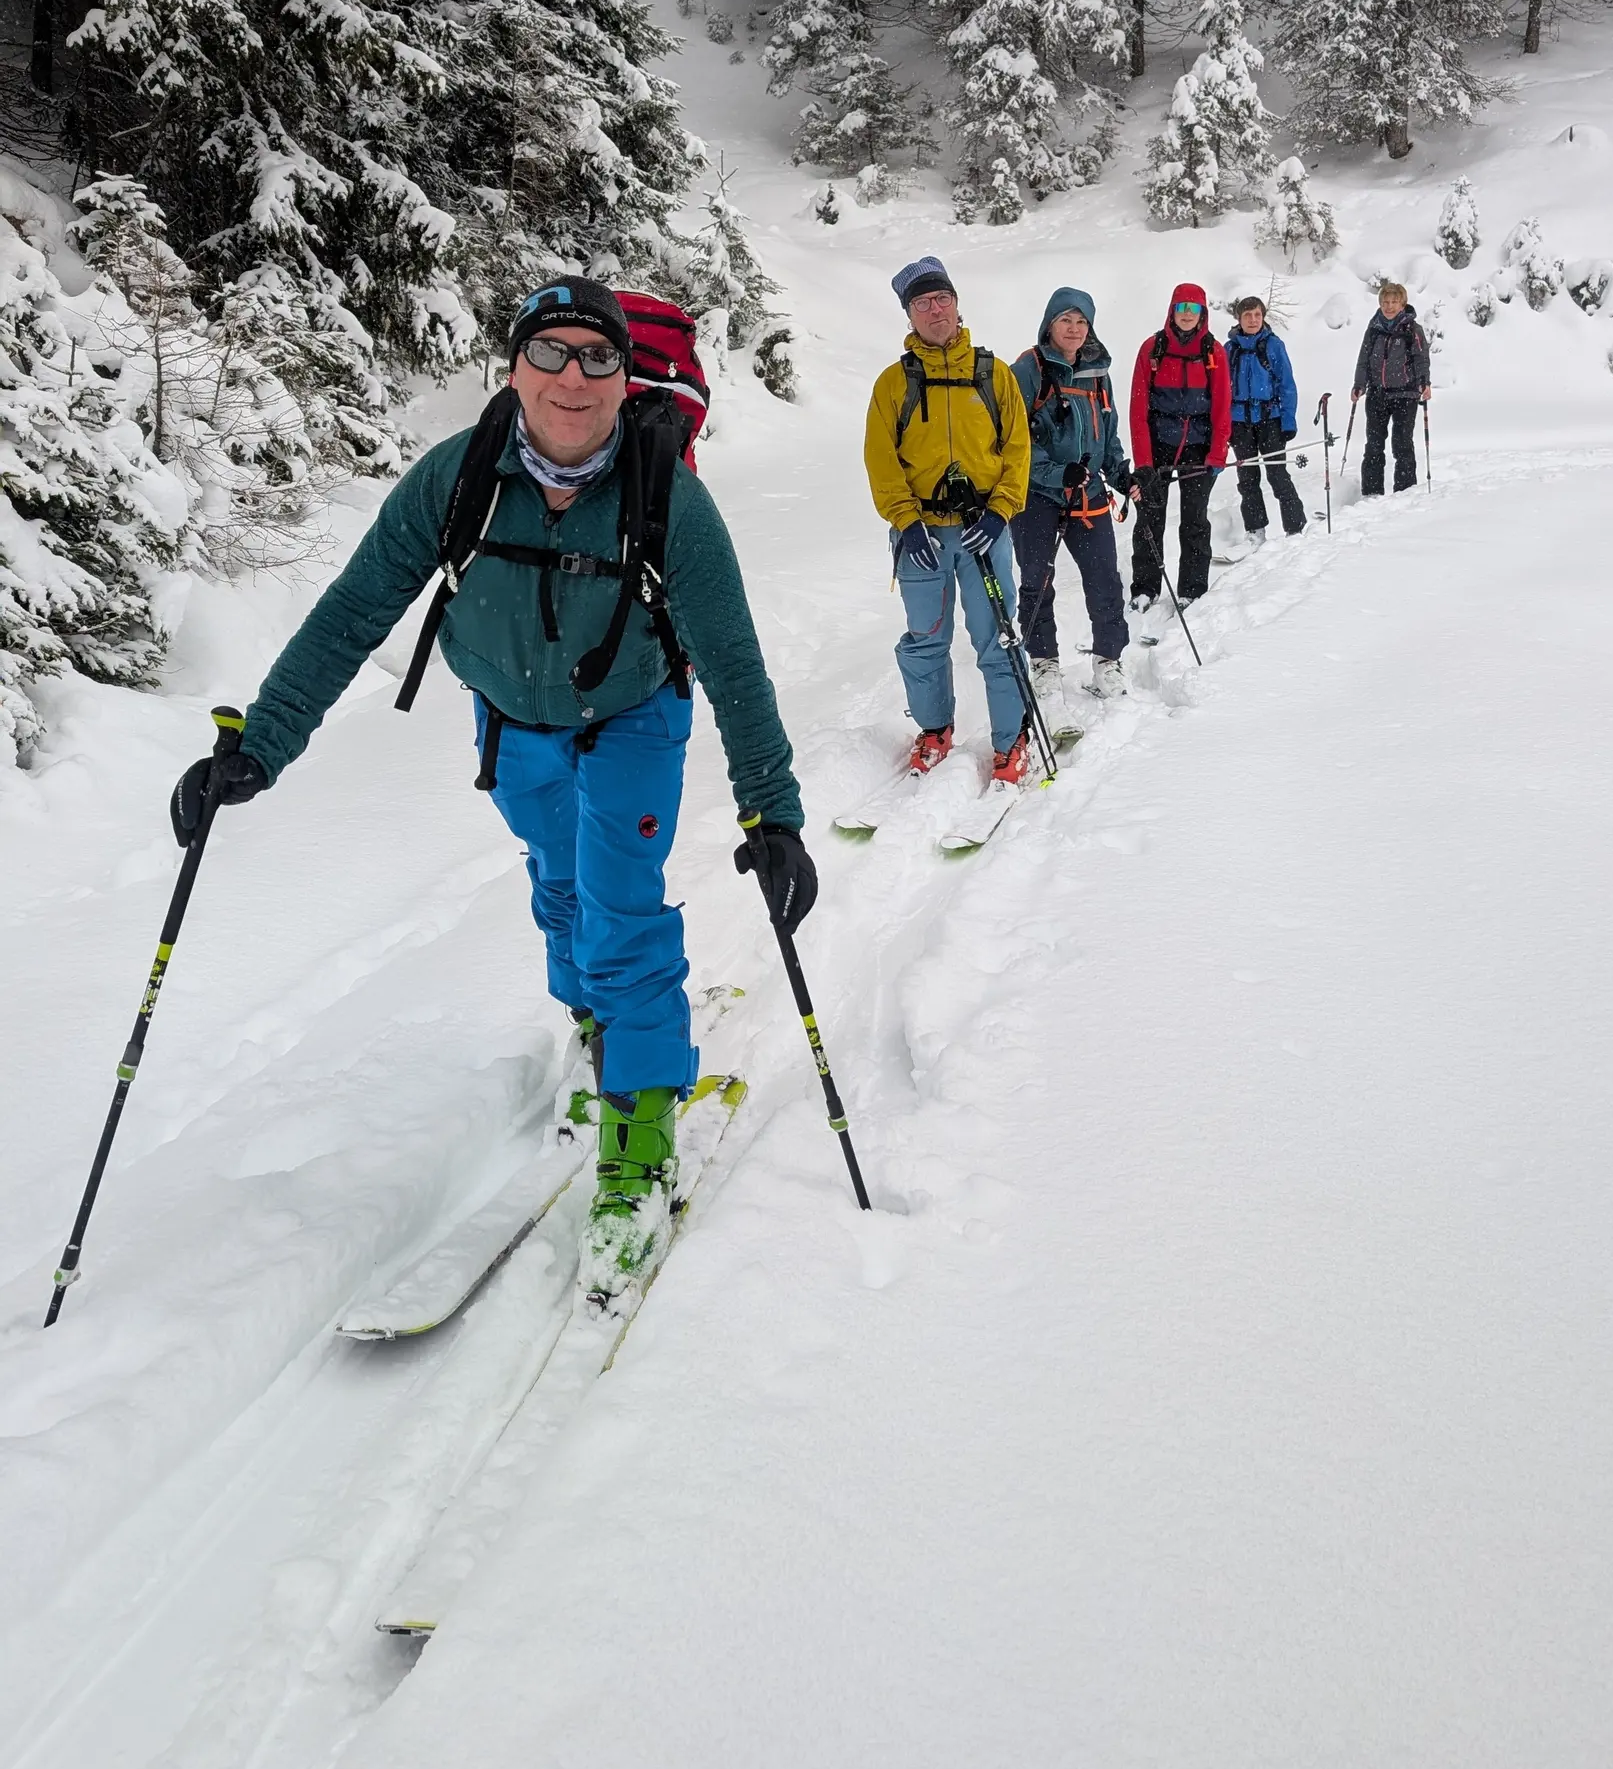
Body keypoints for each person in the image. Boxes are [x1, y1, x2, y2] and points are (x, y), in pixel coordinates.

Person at [167, 276, 812, 1281]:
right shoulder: (456, 477)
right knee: (557, 886)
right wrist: (259, 745)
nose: (572, 376)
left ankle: (638, 1135)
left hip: (635, 714)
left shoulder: (669, 500)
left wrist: (775, 812)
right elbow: (353, 611)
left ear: (623, 374)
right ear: (512, 368)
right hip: (513, 725)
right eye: (549, 351)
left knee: (620, 905)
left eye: (597, 356)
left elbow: (732, 658)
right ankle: (594, 1023)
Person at [862, 257, 1034, 785]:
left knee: (998, 636)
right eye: (922, 303)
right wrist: (906, 521)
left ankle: (1011, 740)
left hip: (985, 530)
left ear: (957, 305)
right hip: (922, 538)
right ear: (909, 316)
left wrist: (1002, 508)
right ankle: (934, 730)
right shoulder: (894, 383)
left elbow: (1017, 448)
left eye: (942, 299)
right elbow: (881, 458)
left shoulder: (993, 373)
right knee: (925, 637)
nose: (934, 309)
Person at [1010, 287, 1136, 702]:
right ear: (1050, 323)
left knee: (1104, 580)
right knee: (1036, 581)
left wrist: (1121, 474)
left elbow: (1108, 430)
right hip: (1036, 496)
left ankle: (1108, 661)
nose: (1075, 328)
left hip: (1088, 492)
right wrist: (1057, 472)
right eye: (1066, 320)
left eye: (1082, 321)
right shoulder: (1027, 370)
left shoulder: (1098, 371)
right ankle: (1044, 663)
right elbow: (1015, 441)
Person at [1127, 282, 1230, 608]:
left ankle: (1193, 588)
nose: (1187, 315)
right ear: (1172, 310)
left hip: (1198, 448)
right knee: (1149, 519)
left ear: (1202, 313)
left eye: (1194, 308)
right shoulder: (1152, 349)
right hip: (1159, 447)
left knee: (1195, 520)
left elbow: (1222, 406)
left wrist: (1217, 453)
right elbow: (1137, 409)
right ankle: (1145, 588)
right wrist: (1143, 462)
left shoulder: (1213, 352)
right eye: (1182, 308)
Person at [1224, 295, 1307, 544]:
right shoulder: (1229, 349)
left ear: (1263, 317)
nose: (1253, 320)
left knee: (1277, 474)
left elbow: (1287, 385)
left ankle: (1295, 527)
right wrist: (1224, 426)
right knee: (1247, 479)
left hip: (1270, 419)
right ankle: (1255, 530)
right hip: (1239, 422)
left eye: (1257, 315)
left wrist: (1288, 421)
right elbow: (1220, 391)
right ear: (1239, 319)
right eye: (1247, 315)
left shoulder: (1273, 345)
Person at [1351, 280, 1432, 495]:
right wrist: (1359, 384)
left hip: (1406, 393)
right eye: (1385, 302)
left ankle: (1405, 492)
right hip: (1377, 393)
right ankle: (1371, 492)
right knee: (1374, 445)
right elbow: (1363, 359)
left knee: (1402, 443)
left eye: (1394, 302)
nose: (1389, 306)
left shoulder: (1412, 330)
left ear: (1402, 304)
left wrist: (1425, 382)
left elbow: (1421, 358)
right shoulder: (1374, 329)